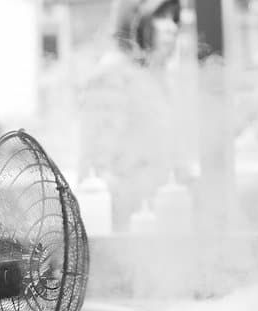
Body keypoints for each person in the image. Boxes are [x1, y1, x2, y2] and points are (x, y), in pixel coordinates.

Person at [77, 0, 194, 230]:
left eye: (174, 18)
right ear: (134, 21)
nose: (172, 27)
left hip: (159, 221)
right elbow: (98, 172)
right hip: (130, 230)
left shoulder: (155, 76)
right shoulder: (113, 74)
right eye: (160, 17)